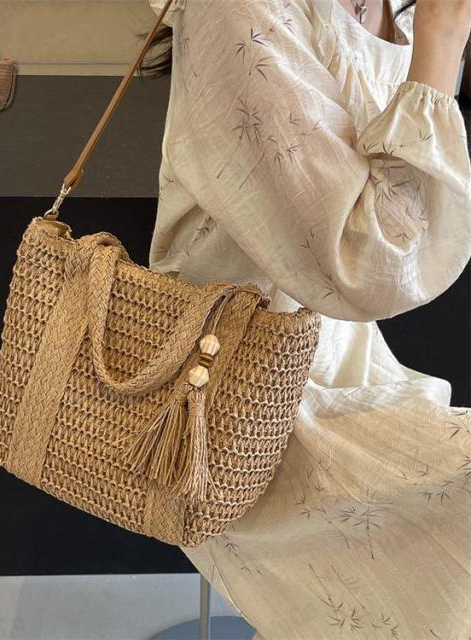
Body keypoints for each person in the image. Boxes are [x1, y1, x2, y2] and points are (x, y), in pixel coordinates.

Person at [145, 0, 471, 637]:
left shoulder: (395, 9)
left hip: (341, 357)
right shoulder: (237, 11)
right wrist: (444, 36)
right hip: (224, 394)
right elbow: (371, 260)